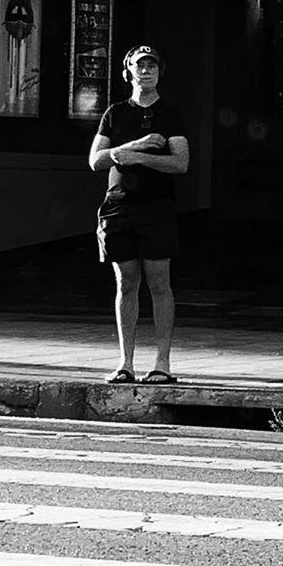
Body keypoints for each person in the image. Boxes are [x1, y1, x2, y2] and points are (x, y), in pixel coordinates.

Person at [89, 44, 190, 384]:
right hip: (118, 205)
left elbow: (181, 162)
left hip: (157, 205)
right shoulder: (115, 113)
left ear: (160, 72)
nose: (145, 71)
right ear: (128, 72)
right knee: (125, 283)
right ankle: (125, 362)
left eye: (152, 66)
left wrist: (143, 159)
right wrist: (133, 147)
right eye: (139, 66)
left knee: (160, 282)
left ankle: (162, 363)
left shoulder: (171, 113)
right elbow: (96, 160)